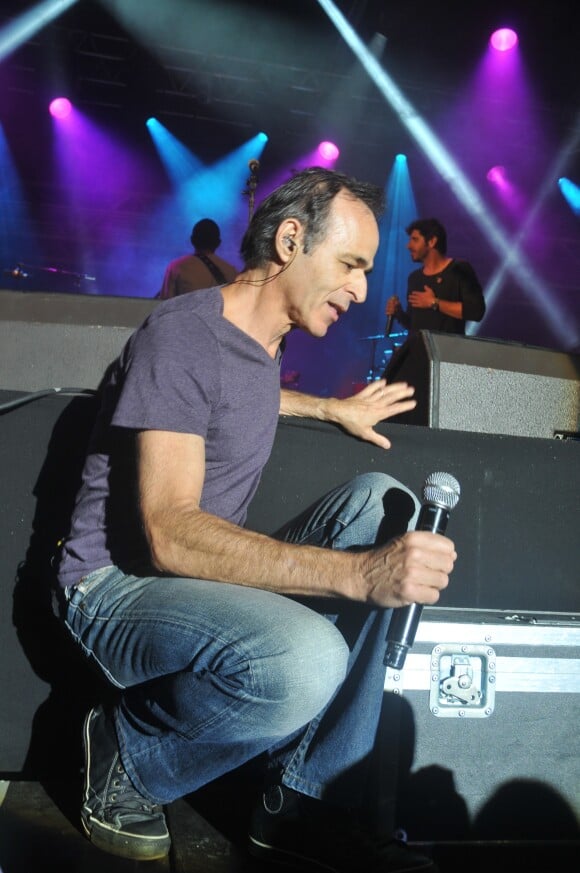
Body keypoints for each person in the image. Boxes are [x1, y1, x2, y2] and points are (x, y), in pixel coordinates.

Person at [56, 168, 456, 872]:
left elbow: (236, 395)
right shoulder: (181, 334)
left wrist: (331, 408)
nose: (363, 289)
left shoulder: (262, 340)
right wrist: (360, 574)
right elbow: (170, 533)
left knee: (381, 499)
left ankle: (302, 797)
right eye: (350, 265)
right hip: (113, 588)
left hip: (190, 585)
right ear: (291, 239)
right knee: (306, 658)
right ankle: (130, 754)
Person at [385, 218, 486, 335]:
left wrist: (434, 303)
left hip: (446, 351)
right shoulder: (414, 278)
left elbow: (476, 311)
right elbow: (413, 325)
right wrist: (399, 313)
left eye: (415, 240)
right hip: (419, 350)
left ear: (432, 241)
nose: (408, 245)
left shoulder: (459, 269)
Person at [157, 217, 238, 299]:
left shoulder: (176, 267)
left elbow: (165, 305)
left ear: (192, 240)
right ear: (218, 243)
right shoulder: (232, 272)